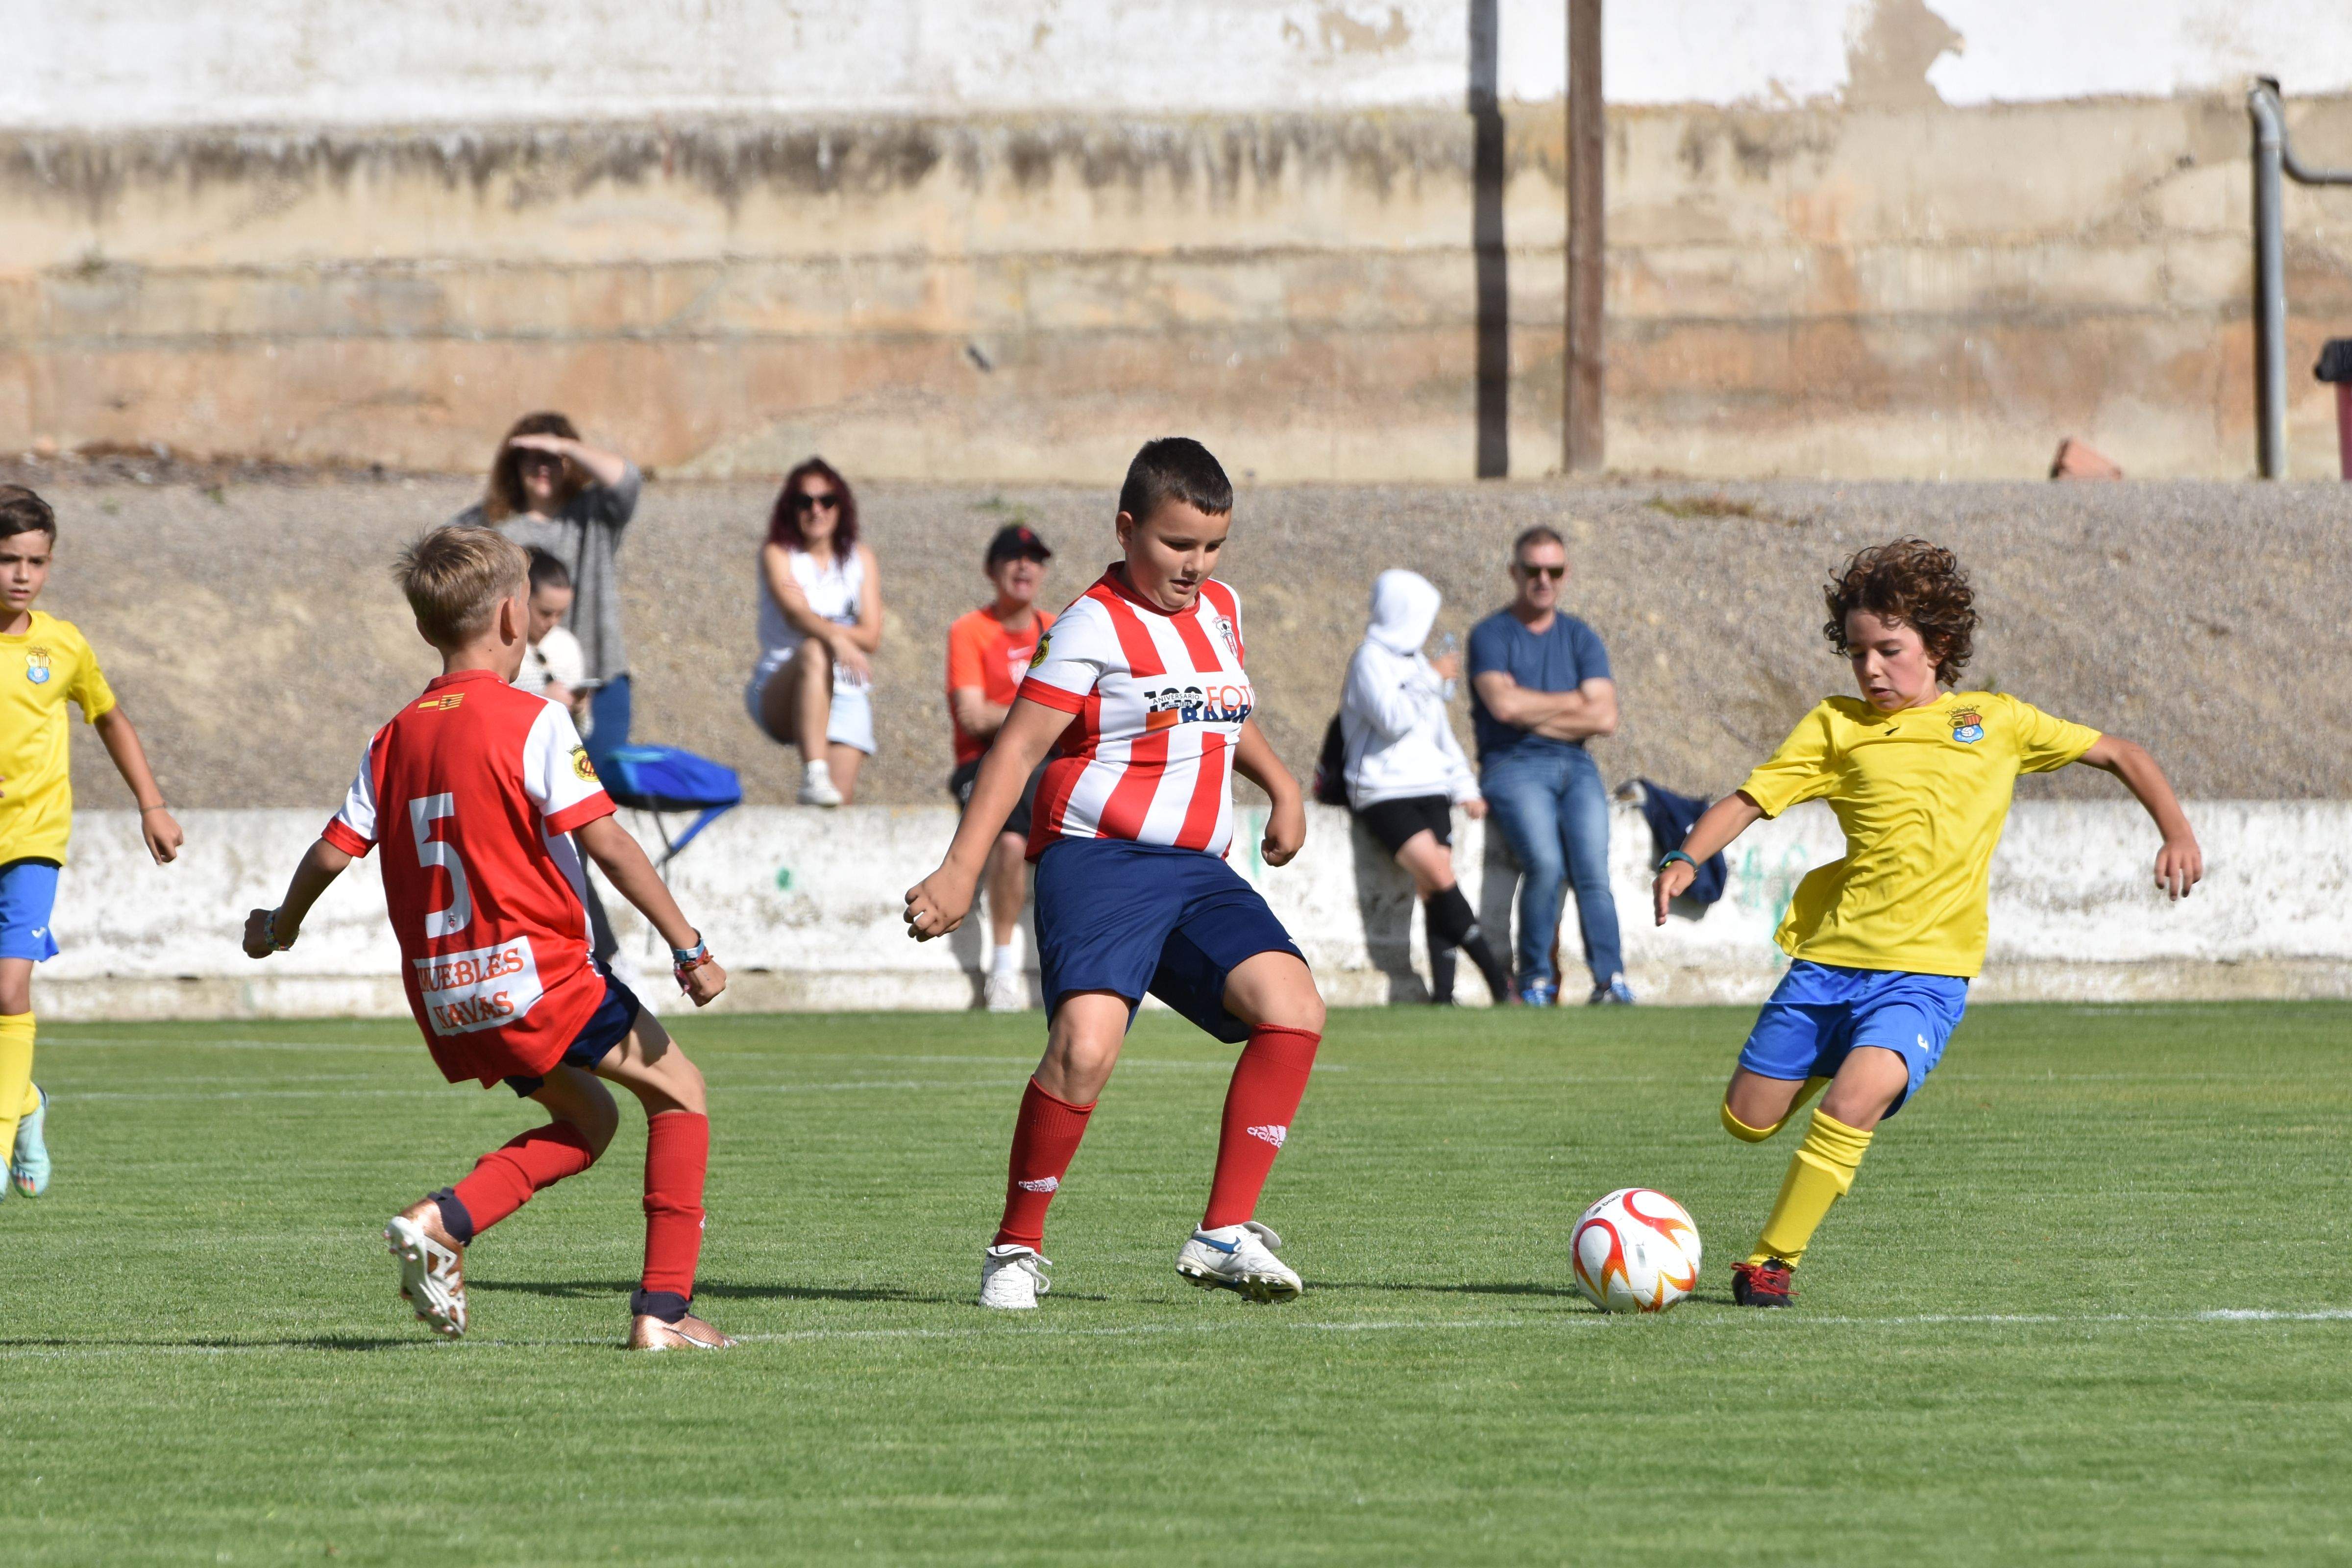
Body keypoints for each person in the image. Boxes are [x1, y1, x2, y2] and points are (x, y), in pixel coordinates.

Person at [1653, 539, 2202, 1309]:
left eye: (1889, 650)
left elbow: (2120, 752)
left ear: (1937, 646)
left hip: (1926, 977)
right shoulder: (1835, 729)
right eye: (1857, 654)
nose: (1872, 669)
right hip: (1829, 965)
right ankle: (1834, 1059)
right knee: (1747, 1120)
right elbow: (1749, 800)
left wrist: (2175, 830)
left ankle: (1770, 1262)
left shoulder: (1996, 721)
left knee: (1855, 1103)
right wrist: (1683, 856)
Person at [242, 528, 735, 1351]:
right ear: (515, 616)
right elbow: (608, 842)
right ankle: (665, 1313)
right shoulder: (532, 721)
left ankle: (445, 1220)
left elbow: (334, 850)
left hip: (448, 995)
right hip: (538, 977)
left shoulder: (395, 735)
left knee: (589, 1122)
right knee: (681, 1091)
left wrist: (280, 926)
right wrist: (690, 947)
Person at [903, 438, 1325, 1311]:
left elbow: (1219, 710)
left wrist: (1281, 784)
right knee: (1085, 1051)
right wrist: (958, 870)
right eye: (1177, 545)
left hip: (1198, 871)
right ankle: (1015, 1250)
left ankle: (1223, 1233)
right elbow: (1017, 749)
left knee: (1294, 1008)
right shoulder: (1089, 623)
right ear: (1128, 529)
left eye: (1212, 548)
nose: (1195, 566)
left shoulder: (1221, 610)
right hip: (1097, 863)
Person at [0, 486, 183, 1202]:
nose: (22, 575)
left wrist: (153, 805)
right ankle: (29, 1104)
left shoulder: (62, 645)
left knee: (10, 988)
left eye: (35, 561)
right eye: (8, 558)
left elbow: (110, 719)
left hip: (34, 841)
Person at [1468, 525, 1631, 1007]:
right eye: (1534, 569)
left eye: (1554, 570)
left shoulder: (1580, 636)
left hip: (1576, 765)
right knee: (1545, 863)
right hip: (1511, 765)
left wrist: (1530, 707)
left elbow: (1605, 716)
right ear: (1515, 572)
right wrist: (1573, 702)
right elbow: (1502, 707)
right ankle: (1536, 979)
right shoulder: (1491, 634)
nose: (1544, 579)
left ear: (1566, 574)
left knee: (1592, 871)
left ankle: (1611, 979)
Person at [1339, 569, 1512, 1005]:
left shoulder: (1418, 663)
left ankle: (1444, 994)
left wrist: (1465, 785)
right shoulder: (1369, 659)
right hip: (1382, 792)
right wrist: (1432, 678)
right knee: (1439, 875)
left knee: (1435, 888)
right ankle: (1498, 981)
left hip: (1431, 788)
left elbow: (1440, 735)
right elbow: (1392, 718)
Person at [454, 412, 640, 764]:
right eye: (533, 457)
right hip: (518, 681)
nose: (544, 467)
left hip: (596, 676)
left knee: (597, 792)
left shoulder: (593, 514)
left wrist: (565, 444)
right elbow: (439, 563)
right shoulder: (490, 525)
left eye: (554, 459)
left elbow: (627, 481)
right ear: (515, 464)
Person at [945, 523, 1056, 1012]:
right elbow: (972, 715)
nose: (1024, 565)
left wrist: (1009, 714)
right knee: (1016, 832)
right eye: (1012, 556)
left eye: (1034, 557)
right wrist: (1039, 715)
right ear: (992, 569)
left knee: (1015, 840)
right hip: (982, 764)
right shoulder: (971, 630)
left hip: (1040, 766)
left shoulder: (1056, 629)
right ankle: (1006, 968)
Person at [745, 458, 882, 807]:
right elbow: (795, 615)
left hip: (847, 691)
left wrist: (823, 626)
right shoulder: (779, 555)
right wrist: (836, 637)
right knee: (813, 651)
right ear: (790, 508)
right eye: (805, 502)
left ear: (842, 505)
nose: (816, 510)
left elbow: (871, 636)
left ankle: (821, 789)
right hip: (783, 684)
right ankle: (814, 772)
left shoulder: (860, 559)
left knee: (838, 804)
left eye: (827, 500)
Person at [515, 548, 587, 718]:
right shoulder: (499, 649)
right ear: (522, 598)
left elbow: (581, 732)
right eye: (545, 613)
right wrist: (540, 703)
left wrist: (579, 709)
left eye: (561, 614)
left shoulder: (567, 645)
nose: (553, 622)